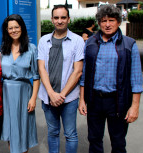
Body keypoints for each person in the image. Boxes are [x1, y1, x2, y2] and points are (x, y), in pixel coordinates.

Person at [78, 5, 143, 153]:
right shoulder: (90, 43)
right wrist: (82, 100)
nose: (107, 24)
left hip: (118, 101)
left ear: (119, 22)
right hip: (94, 100)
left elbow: (136, 79)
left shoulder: (129, 44)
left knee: (118, 142)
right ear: (99, 23)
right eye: (103, 21)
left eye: (111, 20)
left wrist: (135, 107)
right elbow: (84, 75)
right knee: (94, 140)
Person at [38, 5, 84, 153]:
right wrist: (51, 94)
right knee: (52, 133)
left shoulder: (77, 41)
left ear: (69, 19)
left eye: (63, 17)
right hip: (48, 97)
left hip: (69, 98)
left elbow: (77, 71)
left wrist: (61, 95)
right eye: (56, 18)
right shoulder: (44, 40)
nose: (59, 21)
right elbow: (41, 69)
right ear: (51, 20)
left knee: (70, 134)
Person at [0, 14, 40, 153]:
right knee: (11, 130)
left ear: (22, 28)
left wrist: (33, 98)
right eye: (10, 28)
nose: (13, 30)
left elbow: (36, 76)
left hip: (24, 93)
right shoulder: (3, 49)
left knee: (22, 129)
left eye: (16, 27)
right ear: (6, 30)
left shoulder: (31, 48)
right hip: (6, 93)